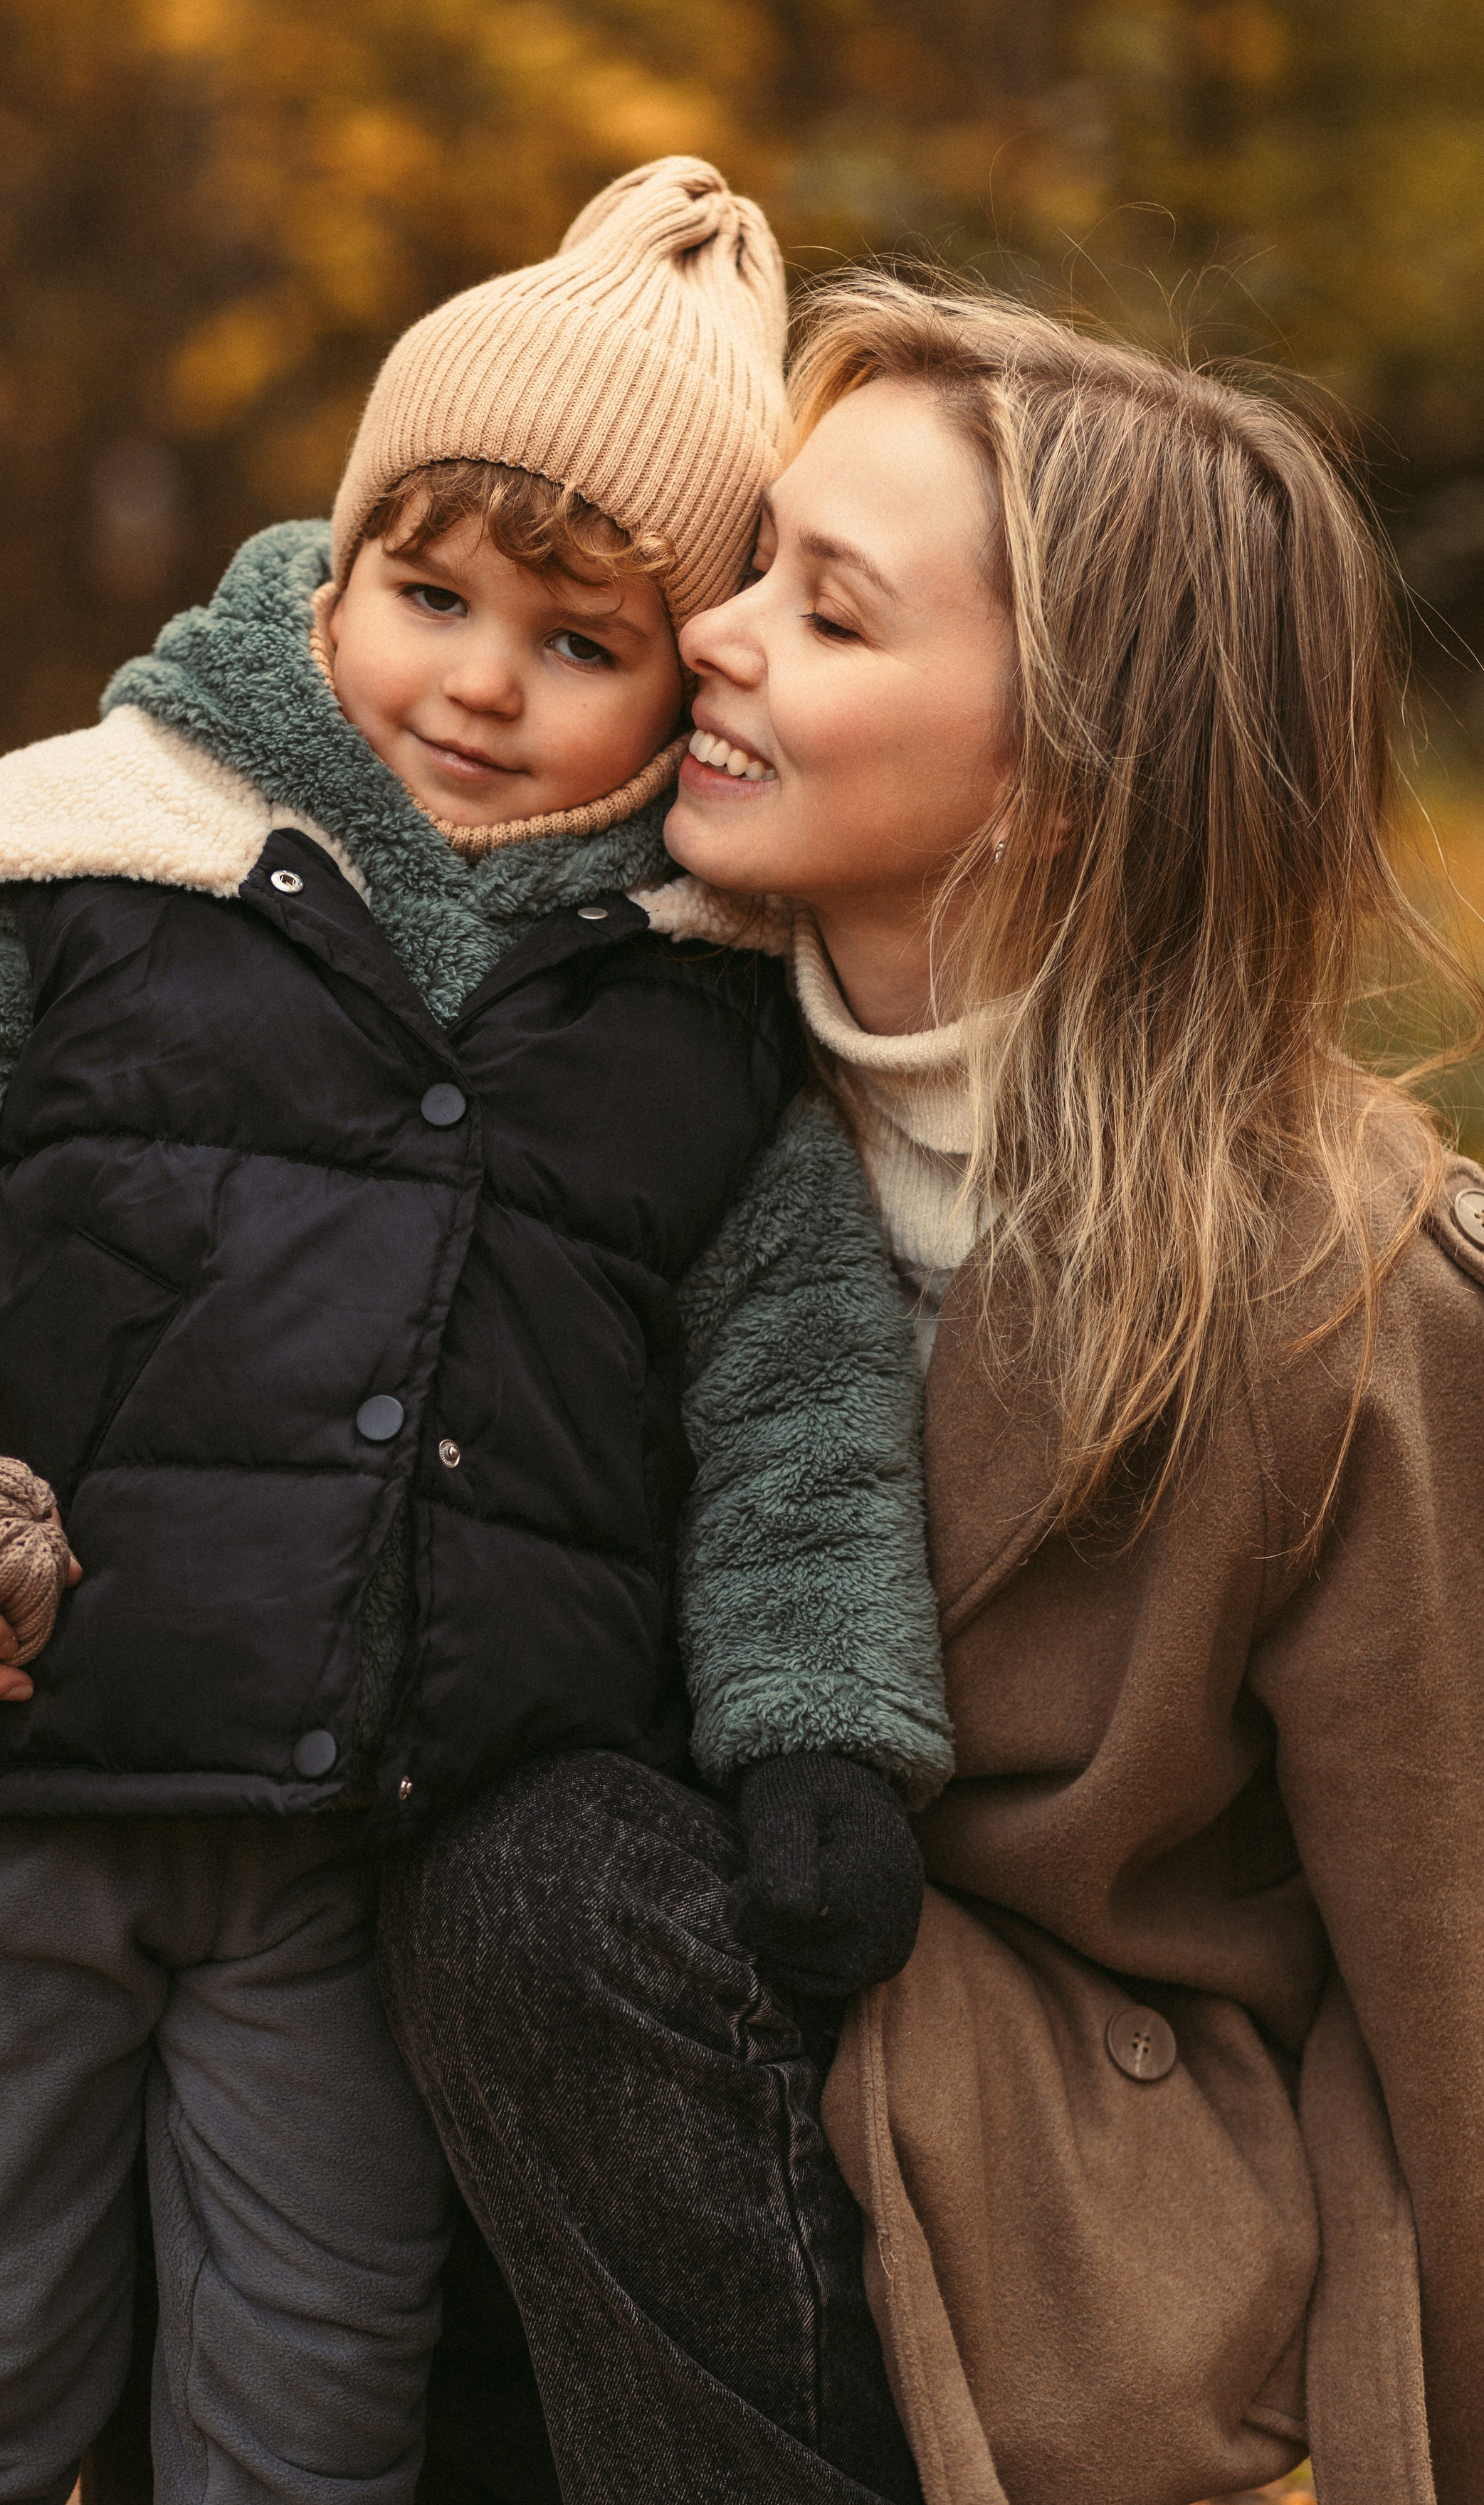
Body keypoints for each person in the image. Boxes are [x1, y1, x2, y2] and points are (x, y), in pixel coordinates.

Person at [0, 167, 946, 2505]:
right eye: (430, 593)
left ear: (684, 686)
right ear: (329, 570)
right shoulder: (94, 861)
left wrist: (822, 1737)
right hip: (17, 1803)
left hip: (373, 1868)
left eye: (579, 644)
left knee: (308, 2410)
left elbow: (800, 1408)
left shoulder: (702, 1014)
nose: (479, 677)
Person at [372, 271, 1484, 2504]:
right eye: (757, 564)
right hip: (594, 2100)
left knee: (547, 1888)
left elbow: (1455, 1966)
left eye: (835, 613)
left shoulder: (1332, 1285)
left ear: (1066, 779)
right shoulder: (600, 1058)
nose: (713, 635)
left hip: (1087, 2214)